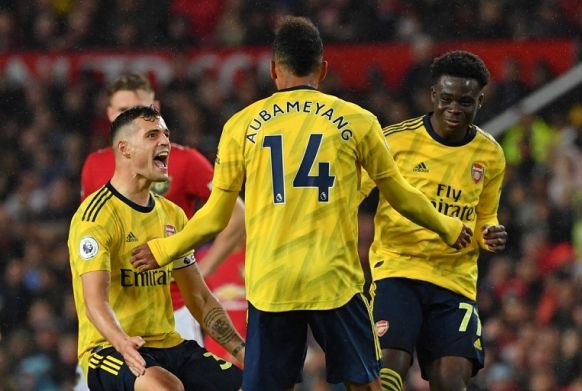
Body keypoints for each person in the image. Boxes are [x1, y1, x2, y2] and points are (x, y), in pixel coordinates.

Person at [130, 17, 472, 391]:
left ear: (274, 70)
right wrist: (449, 226)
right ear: (323, 69)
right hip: (333, 281)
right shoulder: (358, 121)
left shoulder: (241, 126)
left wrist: (165, 248)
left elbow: (215, 218)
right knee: (365, 384)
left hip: (271, 284)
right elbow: (401, 195)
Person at [68, 105, 244, 390]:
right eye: (152, 135)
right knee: (165, 388)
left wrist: (241, 351)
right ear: (124, 149)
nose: (165, 142)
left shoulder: (172, 215)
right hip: (109, 350)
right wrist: (123, 343)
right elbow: (95, 302)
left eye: (166, 134)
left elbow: (198, 297)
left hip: (170, 345)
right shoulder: (96, 217)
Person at [360, 51, 507, 391]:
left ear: (480, 101)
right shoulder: (394, 141)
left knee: (450, 380)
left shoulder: (491, 154)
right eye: (447, 99)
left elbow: (486, 216)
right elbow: (353, 193)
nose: (454, 108)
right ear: (432, 96)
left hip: (455, 280)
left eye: (465, 101)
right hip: (398, 269)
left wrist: (490, 234)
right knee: (389, 369)